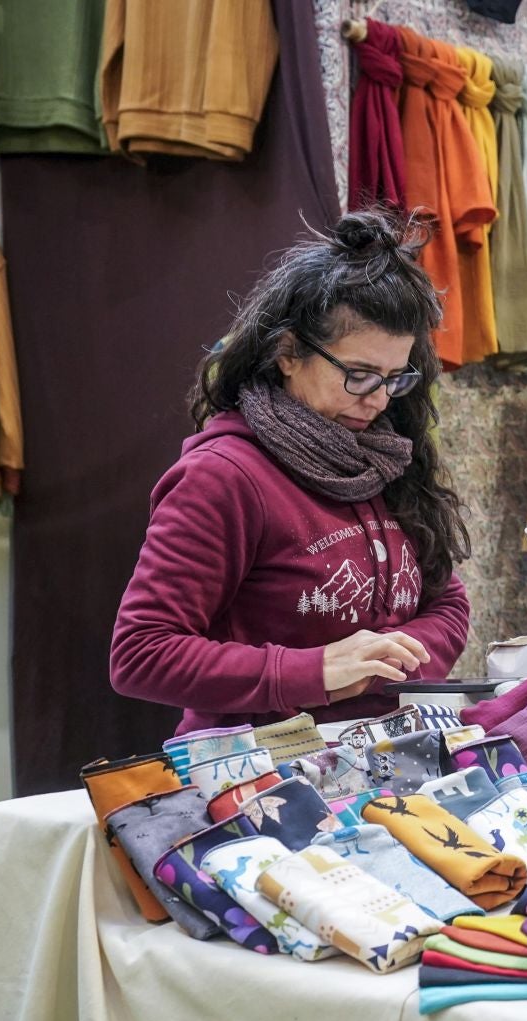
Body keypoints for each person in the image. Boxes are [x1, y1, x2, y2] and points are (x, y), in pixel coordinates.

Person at [111, 207, 471, 734]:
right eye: (359, 374)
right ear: (288, 353)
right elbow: (141, 654)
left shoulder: (388, 458)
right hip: (260, 774)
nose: (378, 398)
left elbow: (449, 604)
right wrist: (314, 671)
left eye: (396, 377)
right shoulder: (223, 477)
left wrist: (382, 666)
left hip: (385, 756)